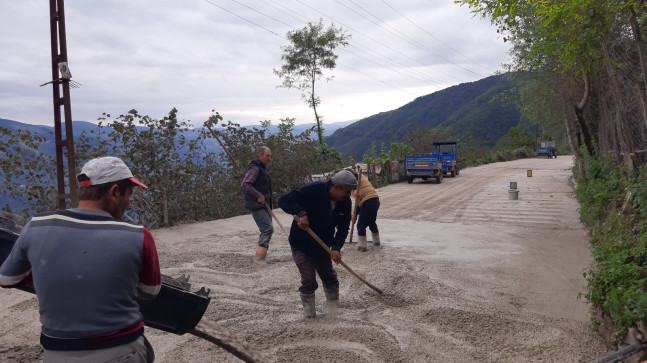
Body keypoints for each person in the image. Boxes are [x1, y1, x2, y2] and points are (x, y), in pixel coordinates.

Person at [0, 156, 161, 363]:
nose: (128, 202)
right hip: (120, 351)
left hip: (56, 353)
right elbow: (151, 291)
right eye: (129, 194)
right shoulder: (139, 235)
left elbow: (6, 280)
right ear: (114, 192)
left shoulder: (36, 225)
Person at [278, 169, 357, 318]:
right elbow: (284, 201)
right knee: (308, 279)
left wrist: (336, 248)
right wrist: (301, 213)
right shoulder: (313, 190)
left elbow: (343, 228)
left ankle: (333, 309)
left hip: (323, 246)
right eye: (346, 192)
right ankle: (311, 318)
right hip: (301, 243)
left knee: (329, 277)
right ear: (335, 186)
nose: (348, 196)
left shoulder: (345, 203)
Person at [242, 146, 274, 264]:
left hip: (264, 204)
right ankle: (259, 259)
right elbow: (245, 184)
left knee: (268, 229)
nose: (270, 158)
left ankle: (261, 256)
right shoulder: (255, 168)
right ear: (260, 156)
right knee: (267, 229)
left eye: (270, 155)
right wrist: (258, 195)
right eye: (267, 156)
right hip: (256, 204)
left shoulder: (262, 168)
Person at [350, 167, 381, 251]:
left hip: (368, 201)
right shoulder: (361, 181)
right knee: (371, 222)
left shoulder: (356, 176)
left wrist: (354, 189)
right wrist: (354, 216)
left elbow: (354, 177)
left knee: (360, 225)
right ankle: (377, 242)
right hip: (375, 200)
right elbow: (358, 205)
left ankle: (362, 247)